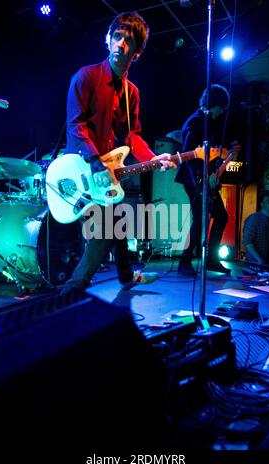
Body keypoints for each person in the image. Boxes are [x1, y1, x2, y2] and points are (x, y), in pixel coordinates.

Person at [61, 11, 175, 296]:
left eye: (129, 41)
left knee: (118, 221)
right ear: (107, 39)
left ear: (136, 53)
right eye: (117, 36)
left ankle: (126, 277)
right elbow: (75, 126)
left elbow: (132, 136)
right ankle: (72, 291)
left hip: (109, 173)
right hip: (82, 170)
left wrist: (152, 157)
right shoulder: (86, 76)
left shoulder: (131, 93)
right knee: (107, 230)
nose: (121, 44)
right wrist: (96, 163)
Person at [175, 84, 231, 275]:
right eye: (221, 107)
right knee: (200, 218)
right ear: (213, 104)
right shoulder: (197, 122)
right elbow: (188, 155)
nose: (222, 111)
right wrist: (200, 180)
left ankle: (212, 260)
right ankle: (185, 262)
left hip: (205, 179)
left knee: (220, 216)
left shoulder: (209, 124)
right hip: (194, 179)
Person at [243, 192, 269, 266]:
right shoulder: (253, 219)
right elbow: (247, 242)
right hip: (255, 264)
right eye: (268, 201)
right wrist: (259, 259)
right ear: (262, 203)